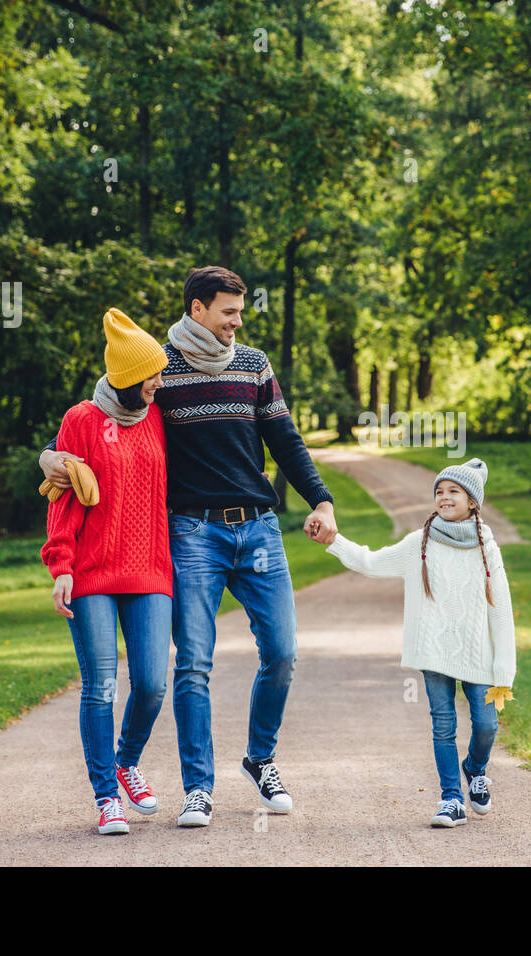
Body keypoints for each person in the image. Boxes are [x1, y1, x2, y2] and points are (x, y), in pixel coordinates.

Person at [39, 266, 338, 828]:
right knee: (192, 666)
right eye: (229, 311)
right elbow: (99, 421)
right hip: (192, 533)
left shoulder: (253, 364)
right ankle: (198, 788)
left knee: (283, 652)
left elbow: (286, 439)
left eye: (240, 312)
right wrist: (48, 456)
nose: (237, 322)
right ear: (198, 309)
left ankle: (261, 757)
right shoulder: (158, 372)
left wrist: (320, 499)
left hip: (259, 529)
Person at [315, 457, 516, 827]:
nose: (443, 497)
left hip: (480, 655)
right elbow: (372, 563)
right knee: (443, 725)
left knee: (486, 724)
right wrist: (335, 540)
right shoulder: (419, 543)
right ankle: (451, 799)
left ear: (473, 501)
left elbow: (500, 608)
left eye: (453, 491)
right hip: (434, 652)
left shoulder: (487, 548)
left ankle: (475, 767)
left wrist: (505, 668)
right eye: (439, 491)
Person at [41, 308, 171, 836]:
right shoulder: (81, 420)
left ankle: (126, 761)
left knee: (152, 683)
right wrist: (61, 565)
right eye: (152, 376)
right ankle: (105, 797)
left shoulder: (159, 416)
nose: (159, 383)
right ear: (126, 378)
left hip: (150, 572)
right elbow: (64, 499)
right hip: (92, 573)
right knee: (100, 686)